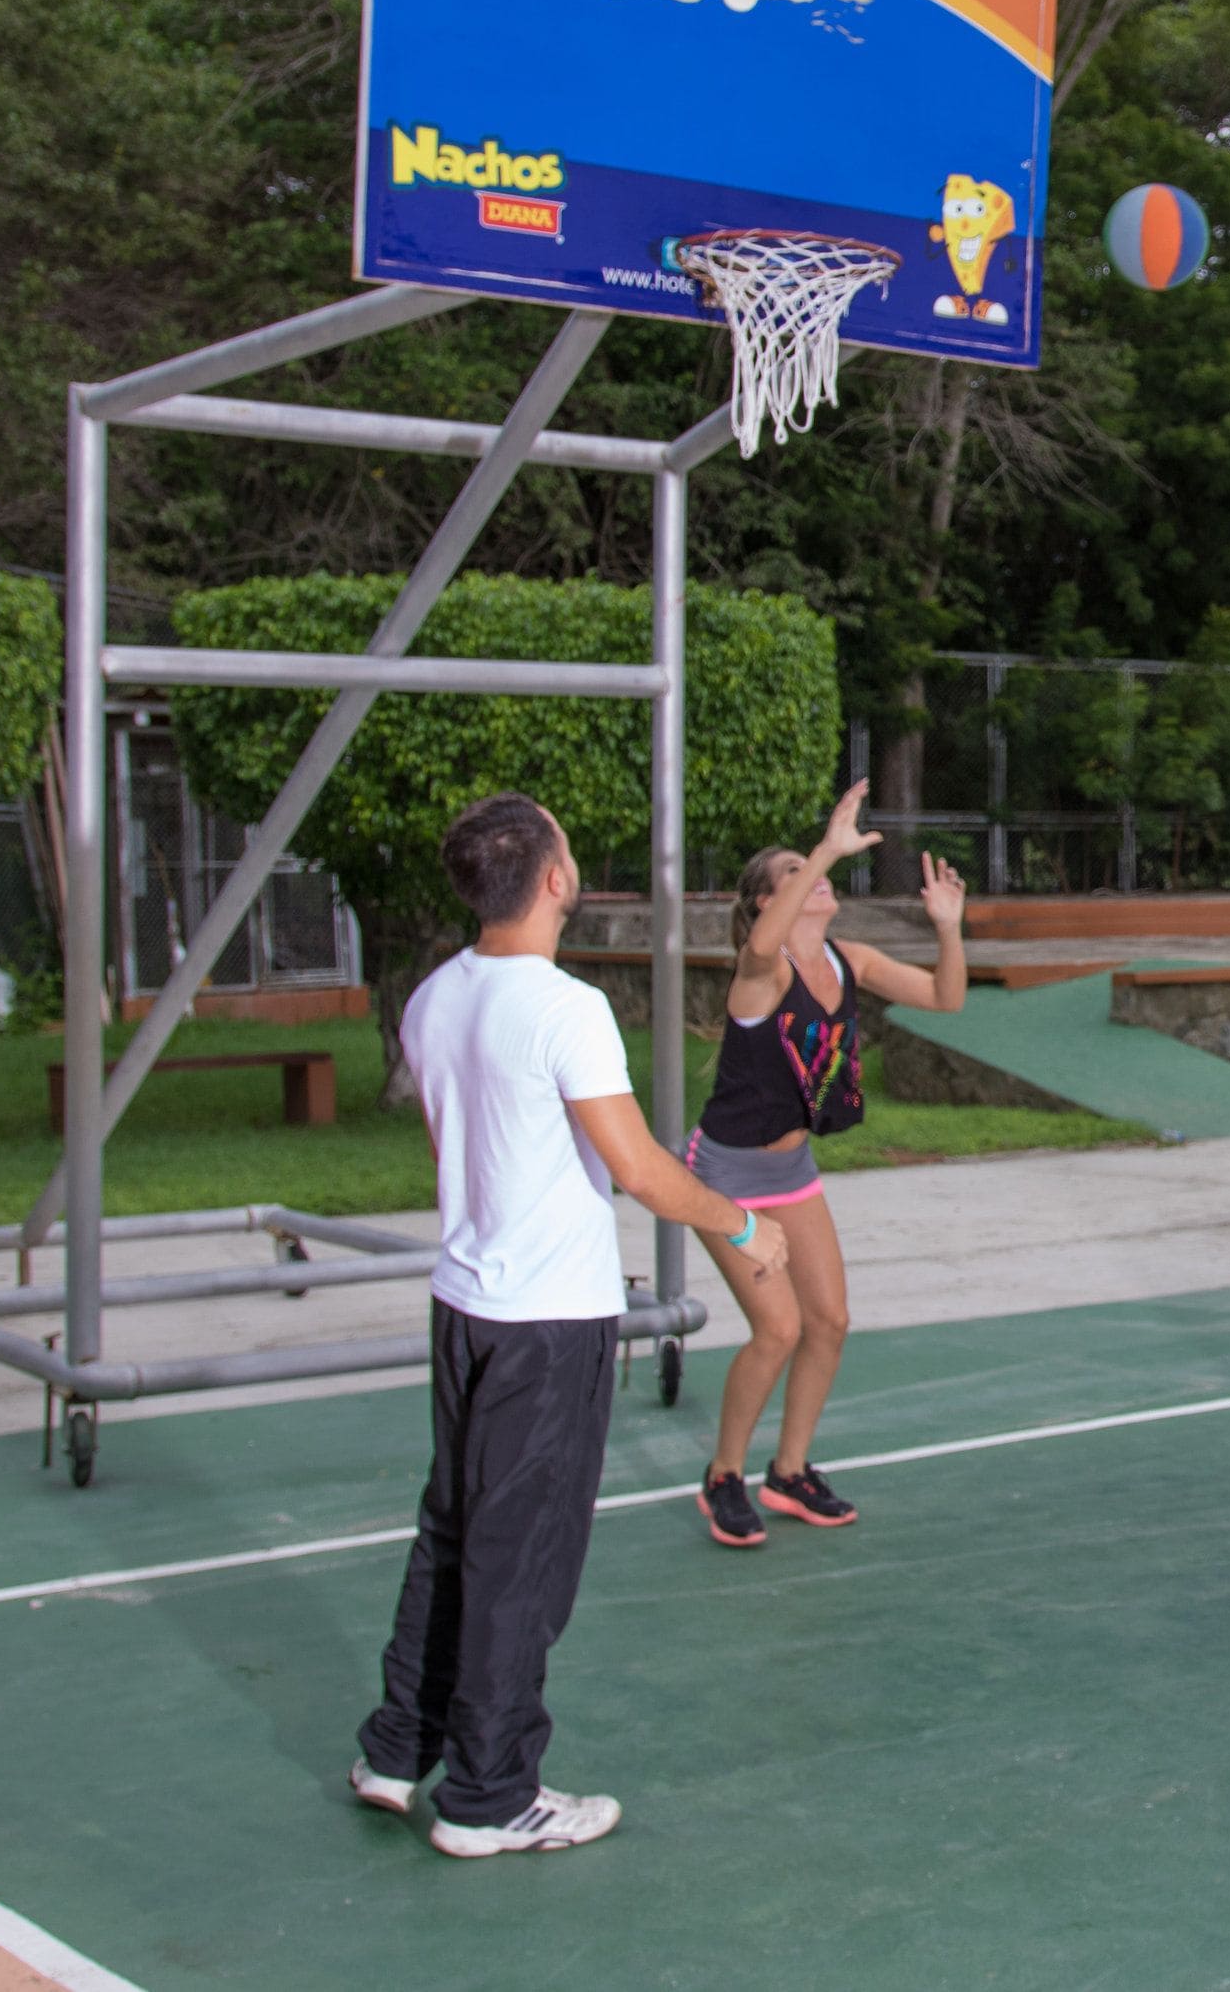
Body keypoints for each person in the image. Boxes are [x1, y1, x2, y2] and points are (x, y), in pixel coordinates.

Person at [352, 793, 790, 1856]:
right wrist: (742, 1224)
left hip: (465, 1307)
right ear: (552, 880)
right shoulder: (565, 1009)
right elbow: (639, 1169)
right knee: (521, 1555)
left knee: (451, 1529)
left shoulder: (432, 999)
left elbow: (456, 1149)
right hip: (545, 1326)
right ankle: (492, 1795)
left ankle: (398, 1747)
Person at [688, 780, 968, 1547]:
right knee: (775, 1329)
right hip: (722, 1175)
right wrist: (824, 848)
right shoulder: (761, 976)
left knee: (830, 1322)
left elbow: (946, 998)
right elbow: (759, 944)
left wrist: (948, 927)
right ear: (768, 900)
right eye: (792, 873)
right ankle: (722, 1478)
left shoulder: (852, 960)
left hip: (792, 1170)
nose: (815, 879)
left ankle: (790, 1471)